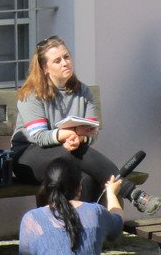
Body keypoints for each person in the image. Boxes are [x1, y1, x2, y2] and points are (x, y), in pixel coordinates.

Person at [0, 157, 123, 255]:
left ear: (47, 187)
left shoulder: (32, 218)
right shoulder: (95, 212)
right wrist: (111, 193)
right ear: (79, 187)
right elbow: (117, 223)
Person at [11, 36, 124, 204]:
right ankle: (131, 191)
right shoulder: (31, 93)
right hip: (29, 157)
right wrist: (69, 135)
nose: (65, 63)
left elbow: (92, 132)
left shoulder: (83, 92)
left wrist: (80, 138)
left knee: (87, 178)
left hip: (70, 153)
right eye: (57, 60)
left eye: (67, 57)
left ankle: (86, 227)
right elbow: (39, 137)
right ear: (45, 67)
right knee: (76, 154)